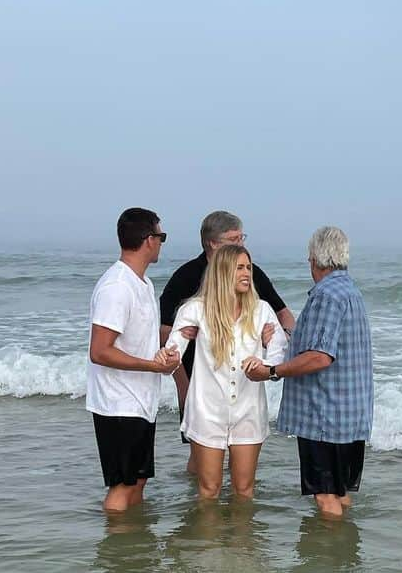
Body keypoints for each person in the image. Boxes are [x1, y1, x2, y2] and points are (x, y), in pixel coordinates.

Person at [243, 226, 373, 518]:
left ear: (315, 258)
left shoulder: (325, 295)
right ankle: (346, 555)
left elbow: (319, 357)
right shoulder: (350, 291)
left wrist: (272, 370)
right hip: (349, 415)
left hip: (324, 416)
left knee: (325, 496)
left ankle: (327, 559)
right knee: (340, 493)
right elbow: (325, 347)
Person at [159, 210, 295, 472]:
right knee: (201, 468)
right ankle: (192, 504)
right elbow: (167, 336)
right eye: (234, 238)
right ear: (213, 243)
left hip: (243, 390)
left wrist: (280, 343)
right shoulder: (185, 279)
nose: (241, 244)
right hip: (200, 386)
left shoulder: (252, 278)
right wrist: (183, 384)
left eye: (242, 237)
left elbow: (283, 315)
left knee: (241, 477)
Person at [85, 208, 179, 513]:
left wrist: (164, 354)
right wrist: (152, 366)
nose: (162, 243)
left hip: (139, 400)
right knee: (123, 484)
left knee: (138, 481)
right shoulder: (117, 286)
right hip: (117, 403)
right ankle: (116, 552)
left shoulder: (143, 284)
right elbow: (100, 351)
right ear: (149, 240)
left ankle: (133, 550)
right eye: (161, 236)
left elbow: (139, 341)